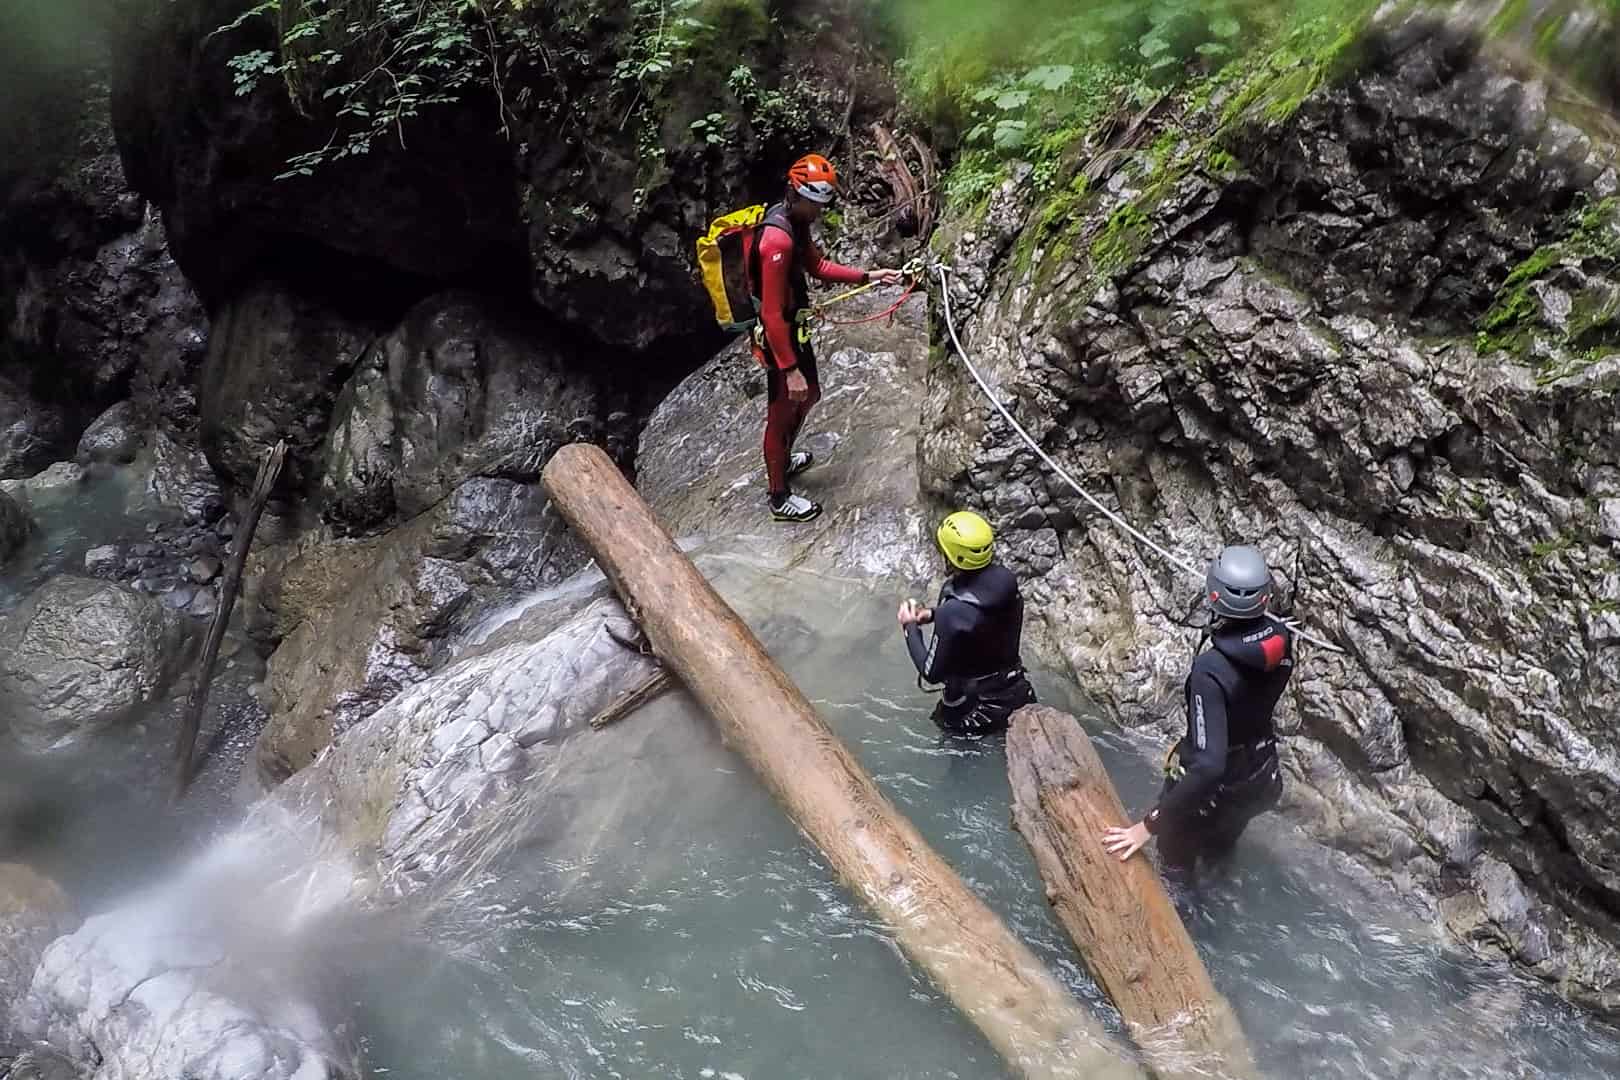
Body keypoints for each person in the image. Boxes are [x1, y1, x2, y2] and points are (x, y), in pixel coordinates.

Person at [1101, 545, 1294, 885]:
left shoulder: (1212, 670)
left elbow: (1208, 766)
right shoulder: (1281, 640)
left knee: (1175, 867)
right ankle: (1218, 882)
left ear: (1214, 594)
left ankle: (1181, 922)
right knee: (1220, 843)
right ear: (1265, 597)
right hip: (1259, 776)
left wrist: (1147, 826)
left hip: (1217, 786)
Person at [746, 153, 904, 523]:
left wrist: (869, 276)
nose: (818, 212)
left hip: (793, 327)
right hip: (778, 336)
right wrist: (789, 370)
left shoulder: (796, 221)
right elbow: (770, 313)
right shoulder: (777, 242)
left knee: (811, 395)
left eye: (822, 205)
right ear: (795, 195)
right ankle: (778, 495)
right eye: (814, 204)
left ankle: (783, 458)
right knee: (782, 410)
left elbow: (817, 266)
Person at [897, 511, 1037, 736]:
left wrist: (909, 627)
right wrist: (932, 614)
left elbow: (930, 673)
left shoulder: (952, 613)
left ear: (951, 556)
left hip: (974, 710)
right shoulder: (1005, 583)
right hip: (1015, 692)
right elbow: (983, 623)